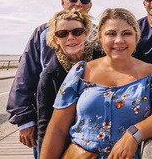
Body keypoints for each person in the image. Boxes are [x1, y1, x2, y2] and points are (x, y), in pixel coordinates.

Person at [40, 8, 152, 159]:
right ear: (101, 38)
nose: (119, 40)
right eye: (111, 34)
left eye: (126, 33)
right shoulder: (81, 72)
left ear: (136, 37)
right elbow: (57, 129)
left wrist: (133, 134)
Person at [6, 0, 93, 155]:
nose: (78, 4)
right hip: (49, 119)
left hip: (89, 125)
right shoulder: (42, 33)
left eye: (83, 1)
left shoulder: (98, 35)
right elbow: (25, 76)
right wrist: (25, 120)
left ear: (89, 6)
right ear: (63, 2)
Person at [36, 9, 103, 153]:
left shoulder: (103, 60)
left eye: (77, 32)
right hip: (70, 149)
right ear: (56, 40)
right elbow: (45, 125)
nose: (70, 37)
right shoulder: (49, 76)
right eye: (62, 34)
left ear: (86, 33)